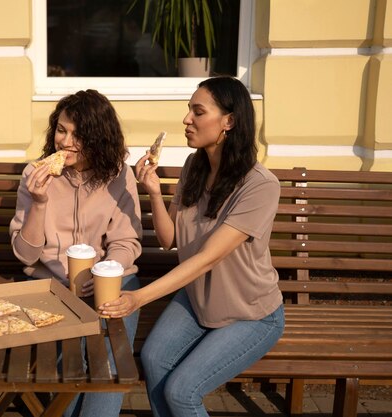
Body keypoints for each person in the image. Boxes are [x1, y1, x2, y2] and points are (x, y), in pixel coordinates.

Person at [100, 76, 285, 417]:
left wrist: (137, 298)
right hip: (199, 300)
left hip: (250, 313)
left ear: (228, 121)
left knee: (182, 392)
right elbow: (170, 240)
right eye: (189, 110)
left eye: (198, 112)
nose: (187, 119)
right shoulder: (193, 167)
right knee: (154, 360)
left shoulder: (260, 186)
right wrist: (153, 192)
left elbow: (206, 259)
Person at [9, 89, 142, 417]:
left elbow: (126, 242)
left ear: (98, 138)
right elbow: (25, 255)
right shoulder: (36, 175)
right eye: (61, 130)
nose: (65, 141)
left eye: (78, 134)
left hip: (112, 283)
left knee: (109, 352)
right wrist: (39, 202)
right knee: (71, 355)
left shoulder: (119, 176)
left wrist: (103, 272)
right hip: (51, 287)